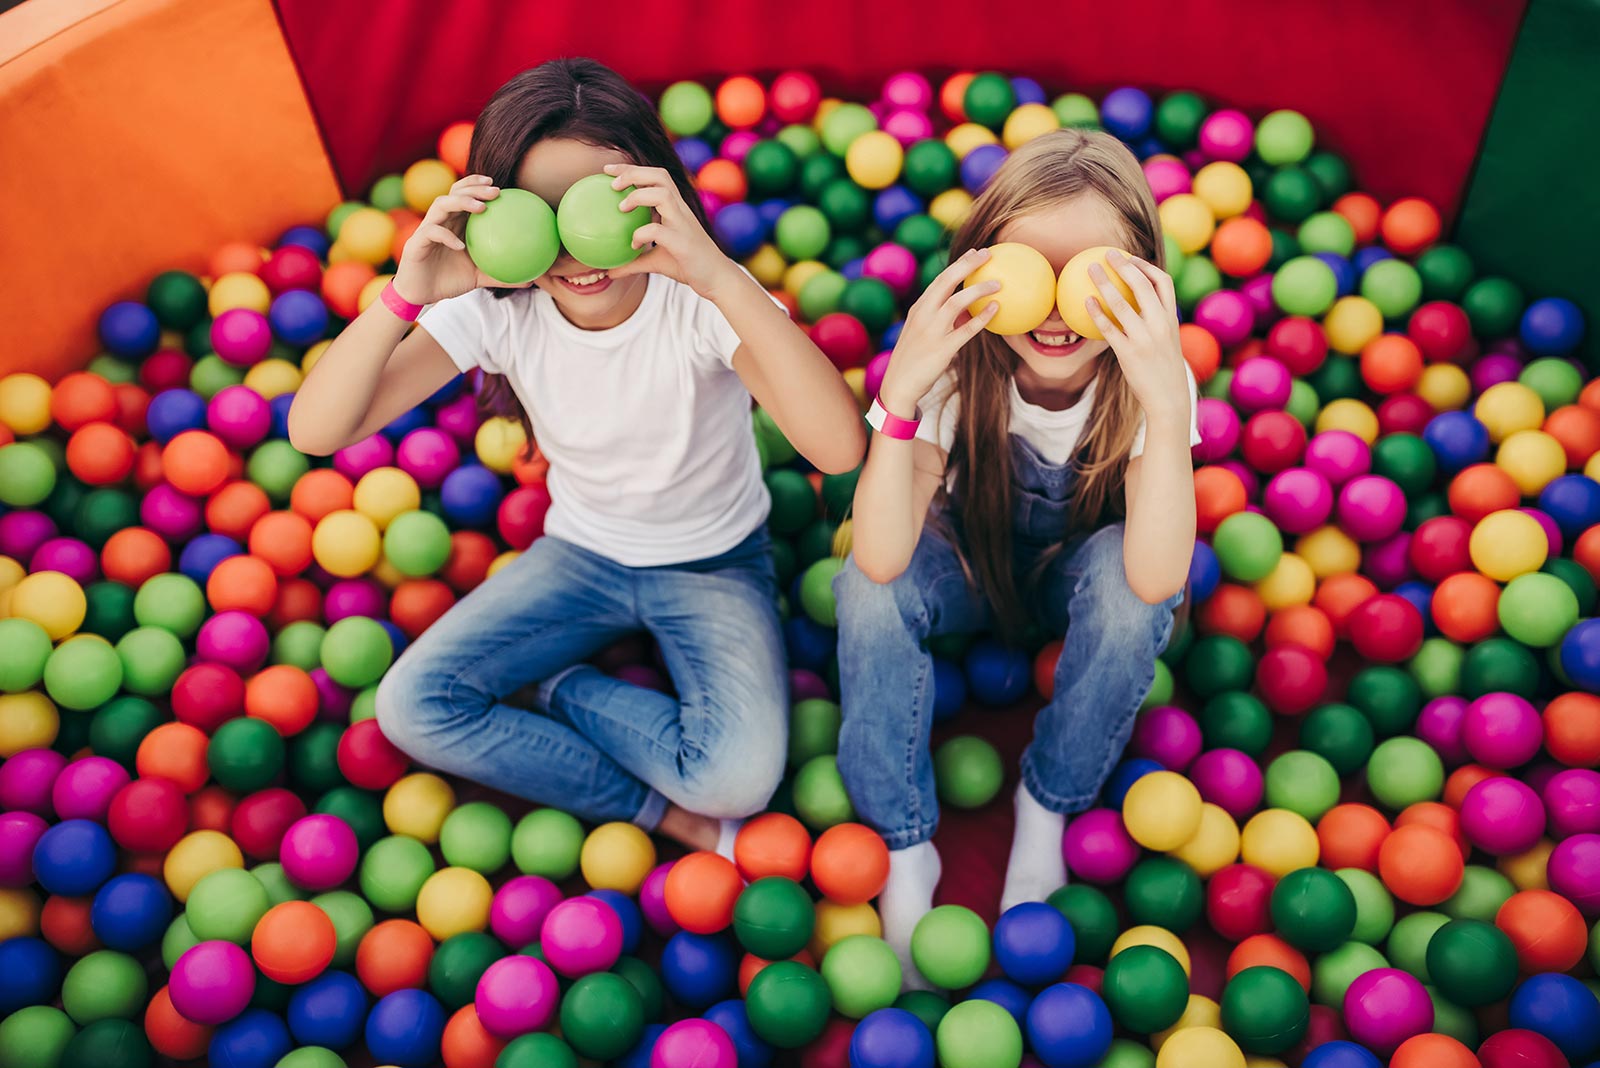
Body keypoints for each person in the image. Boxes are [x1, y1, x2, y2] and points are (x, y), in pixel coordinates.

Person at [288, 58, 865, 854]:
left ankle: (555, 686)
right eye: (540, 214)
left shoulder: (701, 301)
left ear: (653, 191)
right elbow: (316, 431)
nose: (575, 244)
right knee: (411, 707)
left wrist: (715, 273)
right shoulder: (499, 311)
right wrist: (408, 290)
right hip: (581, 555)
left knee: (737, 779)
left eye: (597, 204)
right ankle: (656, 812)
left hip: (716, 563)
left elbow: (838, 447)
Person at [834, 128, 1198, 981]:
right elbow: (882, 561)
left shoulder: (1154, 381)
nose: (1060, 310)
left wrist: (1162, 395)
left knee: (1128, 593)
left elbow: (1154, 579)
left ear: (1146, 284)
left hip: (1080, 576)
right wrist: (901, 390)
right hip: (965, 565)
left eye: (1096, 278)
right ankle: (903, 841)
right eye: (1032, 270)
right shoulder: (957, 371)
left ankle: (1048, 804)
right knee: (860, 589)